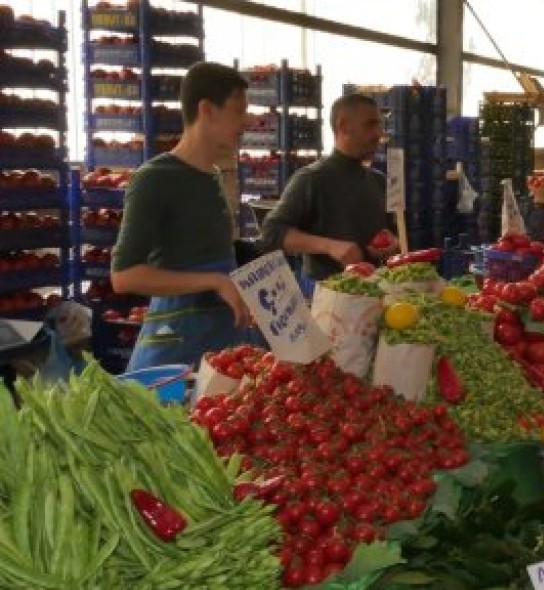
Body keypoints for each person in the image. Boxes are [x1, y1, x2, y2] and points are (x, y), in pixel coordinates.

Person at [111, 62, 255, 372]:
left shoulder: (214, 177)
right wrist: (214, 281)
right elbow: (124, 277)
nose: (247, 121)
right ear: (207, 109)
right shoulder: (155, 179)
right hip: (175, 342)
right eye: (238, 111)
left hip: (220, 337)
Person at [259, 94, 392, 282]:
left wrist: (392, 242)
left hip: (374, 289)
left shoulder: (378, 181)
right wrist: (330, 246)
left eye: (379, 125)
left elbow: (391, 232)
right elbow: (271, 233)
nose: (379, 133)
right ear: (343, 126)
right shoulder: (311, 179)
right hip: (326, 296)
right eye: (370, 125)